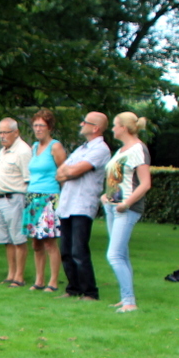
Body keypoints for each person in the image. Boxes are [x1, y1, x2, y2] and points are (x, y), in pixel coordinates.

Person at [55, 112, 112, 301]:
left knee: (79, 250)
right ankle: (73, 288)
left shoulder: (101, 149)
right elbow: (61, 172)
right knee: (66, 250)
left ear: (95, 128)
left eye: (85, 122)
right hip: (67, 204)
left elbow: (75, 170)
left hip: (82, 204)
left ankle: (90, 292)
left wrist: (69, 171)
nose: (81, 124)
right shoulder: (81, 149)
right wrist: (68, 172)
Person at [100, 113, 153, 313]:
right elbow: (117, 178)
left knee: (114, 255)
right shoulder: (122, 150)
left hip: (126, 209)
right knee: (121, 254)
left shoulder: (138, 149)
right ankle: (126, 298)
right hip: (113, 207)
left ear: (124, 127)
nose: (112, 129)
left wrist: (126, 203)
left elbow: (145, 183)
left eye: (115, 125)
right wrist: (107, 196)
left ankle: (130, 302)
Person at [23, 109, 67, 292]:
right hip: (32, 197)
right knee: (36, 242)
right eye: (35, 125)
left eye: (42, 125)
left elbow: (64, 172)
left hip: (49, 197)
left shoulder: (55, 146)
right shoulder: (34, 147)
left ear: (49, 127)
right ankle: (39, 280)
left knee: (50, 241)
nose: (38, 129)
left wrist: (61, 199)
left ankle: (53, 281)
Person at [0, 118, 32, 287]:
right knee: (6, 239)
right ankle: (11, 274)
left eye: (5, 132)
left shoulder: (23, 151)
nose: (2, 136)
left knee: (18, 239)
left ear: (16, 132)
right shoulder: (3, 151)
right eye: (0, 132)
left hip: (15, 198)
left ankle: (19, 277)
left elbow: (28, 179)